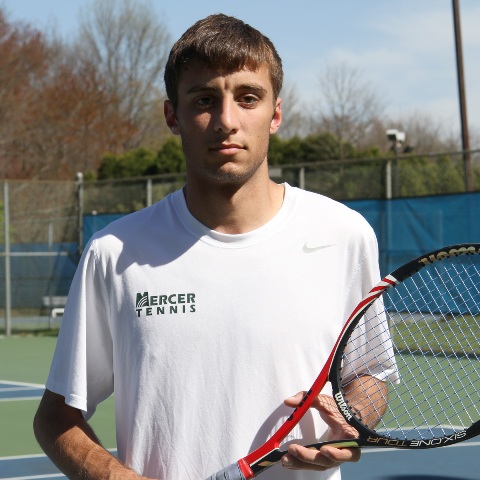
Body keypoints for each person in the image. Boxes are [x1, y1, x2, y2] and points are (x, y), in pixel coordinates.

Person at [34, 13, 394, 480]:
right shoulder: (113, 253)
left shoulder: (343, 234)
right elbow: (56, 417)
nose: (227, 121)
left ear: (275, 114)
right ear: (173, 116)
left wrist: (352, 420)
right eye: (205, 100)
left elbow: (370, 373)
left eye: (248, 98)